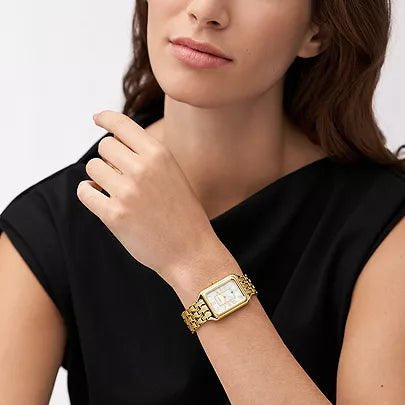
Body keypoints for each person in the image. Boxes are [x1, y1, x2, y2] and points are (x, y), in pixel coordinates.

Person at [1, 0, 404, 404]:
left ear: (318, 31)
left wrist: (194, 259)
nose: (205, 9)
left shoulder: (384, 226)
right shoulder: (50, 228)